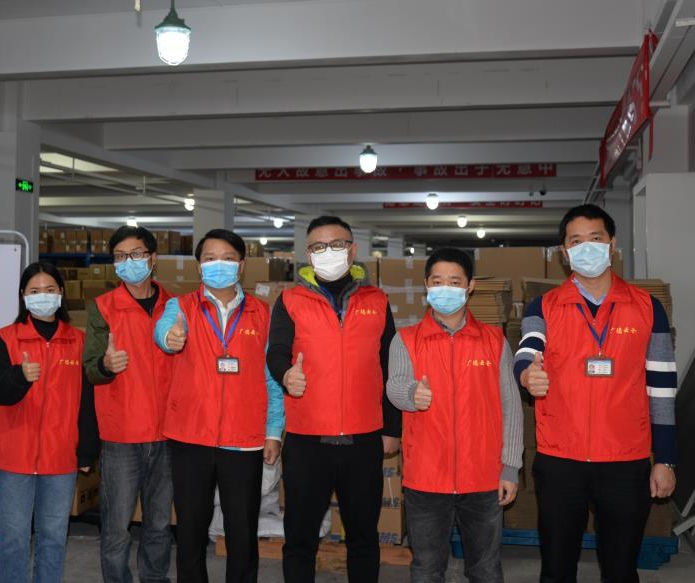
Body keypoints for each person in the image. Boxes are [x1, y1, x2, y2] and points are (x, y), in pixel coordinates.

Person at [514, 204, 677, 583]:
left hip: (625, 461)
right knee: (556, 570)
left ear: (612, 244)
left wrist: (666, 460)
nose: (586, 247)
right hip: (560, 460)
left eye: (595, 238)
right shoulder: (544, 306)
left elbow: (662, 389)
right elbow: (527, 349)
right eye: (576, 241)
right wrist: (526, 374)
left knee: (620, 570)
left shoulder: (647, 308)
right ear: (564, 252)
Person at [266, 215, 401, 583]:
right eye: (318, 247)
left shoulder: (377, 300)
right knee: (300, 538)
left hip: (363, 438)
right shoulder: (290, 300)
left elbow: (390, 365)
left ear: (352, 250)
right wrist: (286, 375)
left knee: (363, 538)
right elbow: (276, 351)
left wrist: (392, 427)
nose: (328, 252)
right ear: (309, 255)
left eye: (336, 244)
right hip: (308, 440)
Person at [154, 228, 285, 583]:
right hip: (191, 436)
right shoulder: (180, 306)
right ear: (199, 266)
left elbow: (272, 378)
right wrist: (169, 337)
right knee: (190, 530)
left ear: (241, 266)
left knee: (242, 531)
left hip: (243, 439)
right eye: (210, 258)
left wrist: (274, 430)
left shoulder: (261, 312)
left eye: (228, 258)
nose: (218, 265)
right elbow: (163, 331)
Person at [387, 248, 523, 583]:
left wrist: (510, 466)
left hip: (484, 478)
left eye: (454, 281)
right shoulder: (406, 340)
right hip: (425, 479)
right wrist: (411, 394)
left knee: (486, 569)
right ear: (426, 285)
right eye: (437, 281)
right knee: (427, 569)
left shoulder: (494, 341)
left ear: (470, 286)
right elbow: (394, 385)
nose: (445, 288)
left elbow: (511, 404)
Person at [0, 261, 99, 583]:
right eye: (34, 291)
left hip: (60, 458)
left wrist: (87, 451)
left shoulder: (78, 341)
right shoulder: (7, 339)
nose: (42, 296)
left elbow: (88, 403)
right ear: (23, 295)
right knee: (15, 538)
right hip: (13, 457)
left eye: (49, 289)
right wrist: (18, 377)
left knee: (54, 537)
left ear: (61, 293)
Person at [83, 226, 175, 583]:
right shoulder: (104, 307)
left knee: (159, 524)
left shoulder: (176, 306)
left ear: (152, 258)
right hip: (122, 433)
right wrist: (106, 365)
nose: (128, 262)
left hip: (168, 432)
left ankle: (155, 578)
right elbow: (90, 369)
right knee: (116, 525)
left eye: (136, 254)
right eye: (120, 257)